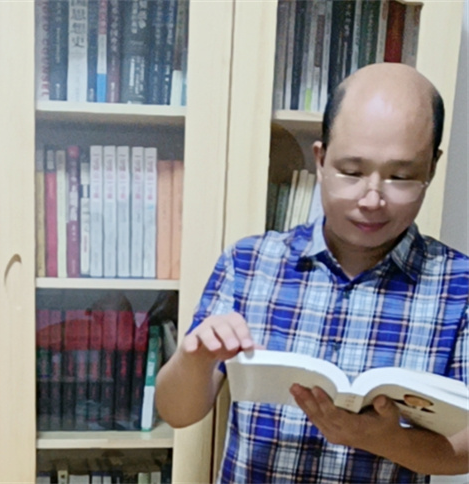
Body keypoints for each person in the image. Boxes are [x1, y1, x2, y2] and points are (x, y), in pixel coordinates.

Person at [155, 62, 469, 483]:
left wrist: (383, 440)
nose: (371, 200)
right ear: (321, 160)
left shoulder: (458, 285)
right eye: (351, 172)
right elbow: (177, 412)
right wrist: (195, 359)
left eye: (401, 176)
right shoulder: (250, 262)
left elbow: (465, 449)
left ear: (431, 168)